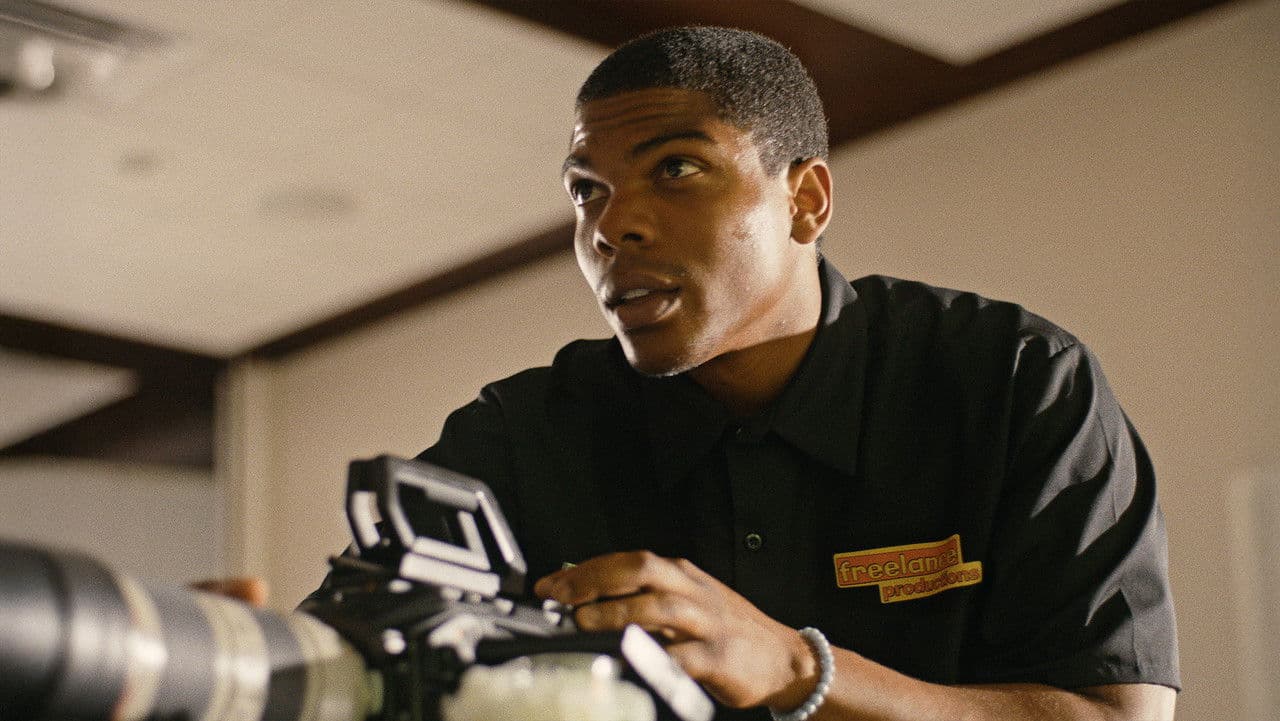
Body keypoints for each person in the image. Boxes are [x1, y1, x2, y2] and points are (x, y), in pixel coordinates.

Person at [356, 27, 1179, 720]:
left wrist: (794, 667)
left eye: (675, 168)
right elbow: (341, 659)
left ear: (806, 200)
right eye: (586, 190)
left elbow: (1116, 715)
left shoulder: (1012, 381)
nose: (612, 225)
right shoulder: (523, 434)